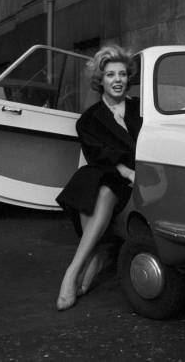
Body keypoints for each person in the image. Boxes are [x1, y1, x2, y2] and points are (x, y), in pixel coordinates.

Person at [55, 45, 142, 311]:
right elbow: (98, 154)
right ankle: (79, 267)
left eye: (123, 74)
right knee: (99, 185)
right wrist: (125, 171)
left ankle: (81, 266)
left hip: (143, 178)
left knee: (100, 187)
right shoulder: (88, 120)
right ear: (100, 80)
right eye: (110, 75)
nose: (118, 80)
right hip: (113, 178)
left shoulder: (143, 109)